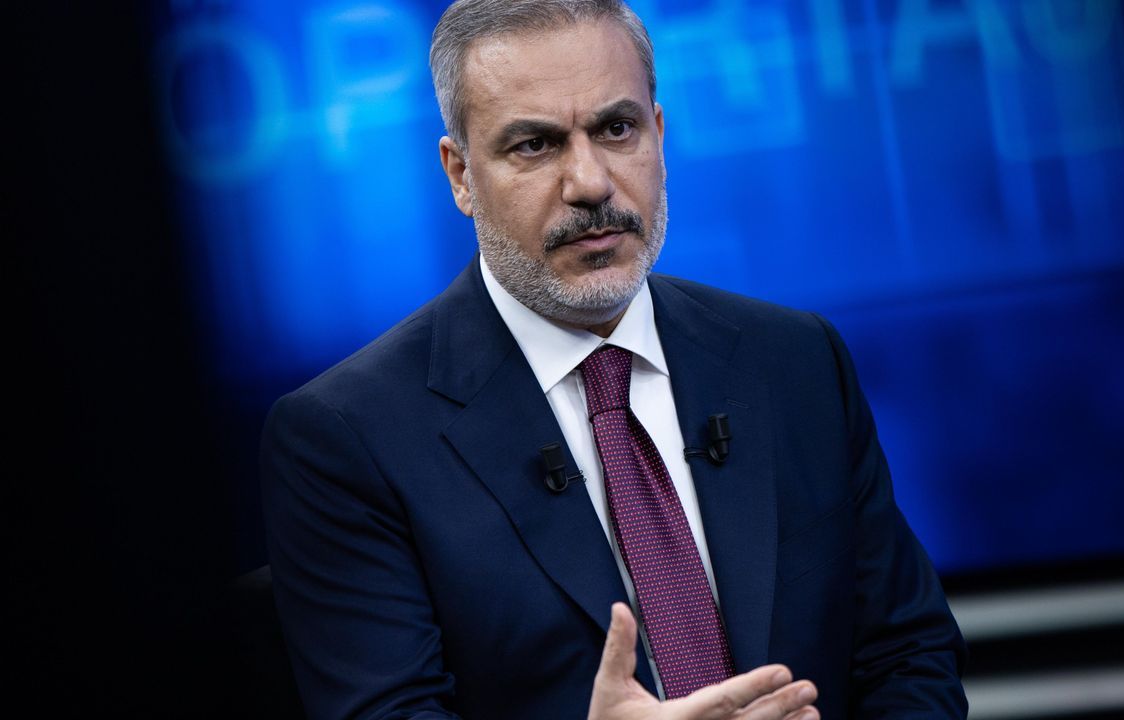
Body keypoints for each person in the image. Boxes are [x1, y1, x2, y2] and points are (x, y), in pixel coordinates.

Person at [260, 1, 967, 718]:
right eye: (534, 145)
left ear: (658, 133)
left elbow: (909, 655)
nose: (590, 183)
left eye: (616, 129)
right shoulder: (346, 439)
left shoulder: (797, 360)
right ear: (461, 175)